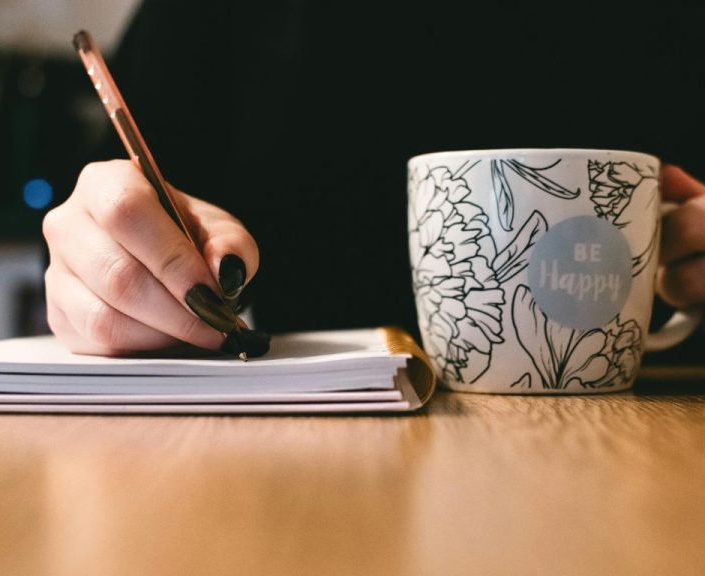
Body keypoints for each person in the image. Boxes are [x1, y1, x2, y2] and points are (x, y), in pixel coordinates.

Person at [42, 0, 705, 355]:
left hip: (648, 446)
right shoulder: (220, 17)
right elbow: (122, 197)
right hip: (300, 455)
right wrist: (118, 257)